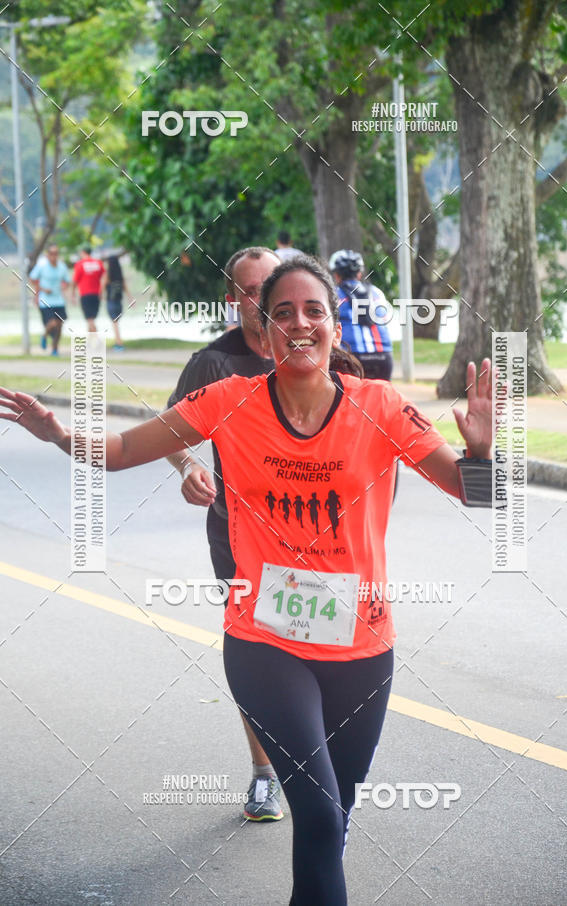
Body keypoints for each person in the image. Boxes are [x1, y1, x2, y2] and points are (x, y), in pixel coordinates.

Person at [0, 255, 492, 906]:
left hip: (363, 651)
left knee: (329, 825)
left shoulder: (379, 405)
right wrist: (60, 434)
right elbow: (122, 451)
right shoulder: (229, 401)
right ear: (263, 327)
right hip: (263, 641)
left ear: (334, 327)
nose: (298, 324)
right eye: (281, 311)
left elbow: (475, 492)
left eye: (313, 310)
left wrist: (484, 454)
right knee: (316, 816)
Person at [165, 245, 285, 822]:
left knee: (315, 646)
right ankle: (265, 773)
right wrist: (190, 465)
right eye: (247, 289)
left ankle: (315, 760)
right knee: (254, 651)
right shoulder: (213, 363)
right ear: (232, 296)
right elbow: (171, 431)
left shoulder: (313, 352)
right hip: (236, 533)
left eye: (268, 287)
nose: (258, 300)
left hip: (310, 535)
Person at [329, 248, 394, 381]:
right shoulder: (377, 292)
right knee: (381, 399)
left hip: (352, 358)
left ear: (336, 275)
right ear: (359, 274)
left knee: (349, 398)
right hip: (383, 357)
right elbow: (386, 318)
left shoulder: (333, 295)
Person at [30, 244, 70, 356]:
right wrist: (41, 290)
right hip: (45, 300)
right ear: (48, 255)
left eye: (56, 253)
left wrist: (64, 287)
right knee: (52, 323)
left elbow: (67, 281)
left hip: (59, 300)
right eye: (51, 253)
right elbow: (33, 279)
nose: (54, 256)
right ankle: (44, 335)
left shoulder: (62, 267)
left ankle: (55, 349)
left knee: (59, 325)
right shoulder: (41, 266)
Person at [72, 246, 105, 332]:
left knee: (90, 320)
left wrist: (72, 294)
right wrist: (102, 291)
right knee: (91, 319)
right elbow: (105, 277)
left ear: (82, 252)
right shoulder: (98, 263)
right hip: (96, 294)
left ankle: (96, 340)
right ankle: (90, 342)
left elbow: (75, 280)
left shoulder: (80, 264)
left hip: (85, 294)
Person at [105, 254, 134, 350]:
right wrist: (131, 299)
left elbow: (102, 286)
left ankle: (119, 343)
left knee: (114, 323)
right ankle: (118, 342)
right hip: (119, 302)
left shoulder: (108, 275)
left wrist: (100, 296)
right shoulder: (120, 276)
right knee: (116, 322)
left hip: (111, 301)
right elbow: (126, 289)